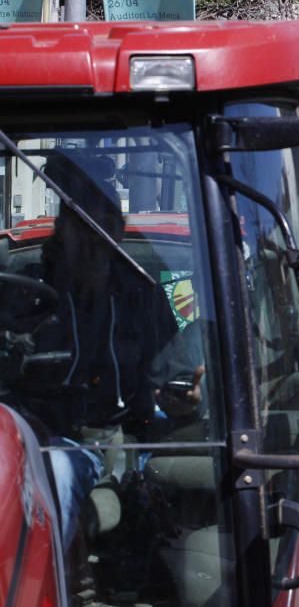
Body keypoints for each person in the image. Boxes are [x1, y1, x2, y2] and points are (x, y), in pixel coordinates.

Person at [5, 153, 197, 546]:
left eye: (101, 227)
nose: (91, 240)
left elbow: (178, 383)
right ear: (62, 228)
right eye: (80, 224)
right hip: (15, 436)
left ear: (118, 231)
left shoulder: (145, 300)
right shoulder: (21, 294)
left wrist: (188, 399)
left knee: (54, 472)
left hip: (98, 443)